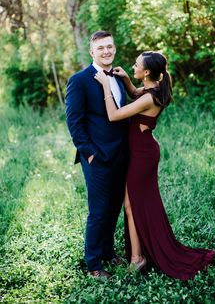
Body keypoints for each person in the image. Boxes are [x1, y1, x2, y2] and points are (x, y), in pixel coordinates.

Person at [94, 51, 215, 280]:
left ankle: (137, 259)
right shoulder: (152, 89)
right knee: (135, 205)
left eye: (136, 65)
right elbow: (135, 93)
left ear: (147, 72)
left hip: (143, 155)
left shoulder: (150, 97)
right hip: (142, 152)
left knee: (132, 207)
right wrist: (127, 80)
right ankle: (138, 257)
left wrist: (104, 85)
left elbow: (114, 115)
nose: (133, 65)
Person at [65, 31, 129, 279]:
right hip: (97, 158)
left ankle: (108, 252)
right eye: (100, 48)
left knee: (114, 208)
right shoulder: (79, 80)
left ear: (114, 49)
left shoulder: (119, 77)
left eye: (110, 47)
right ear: (92, 52)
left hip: (121, 155)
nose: (106, 52)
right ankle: (93, 265)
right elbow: (74, 121)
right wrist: (89, 154)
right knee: (99, 210)